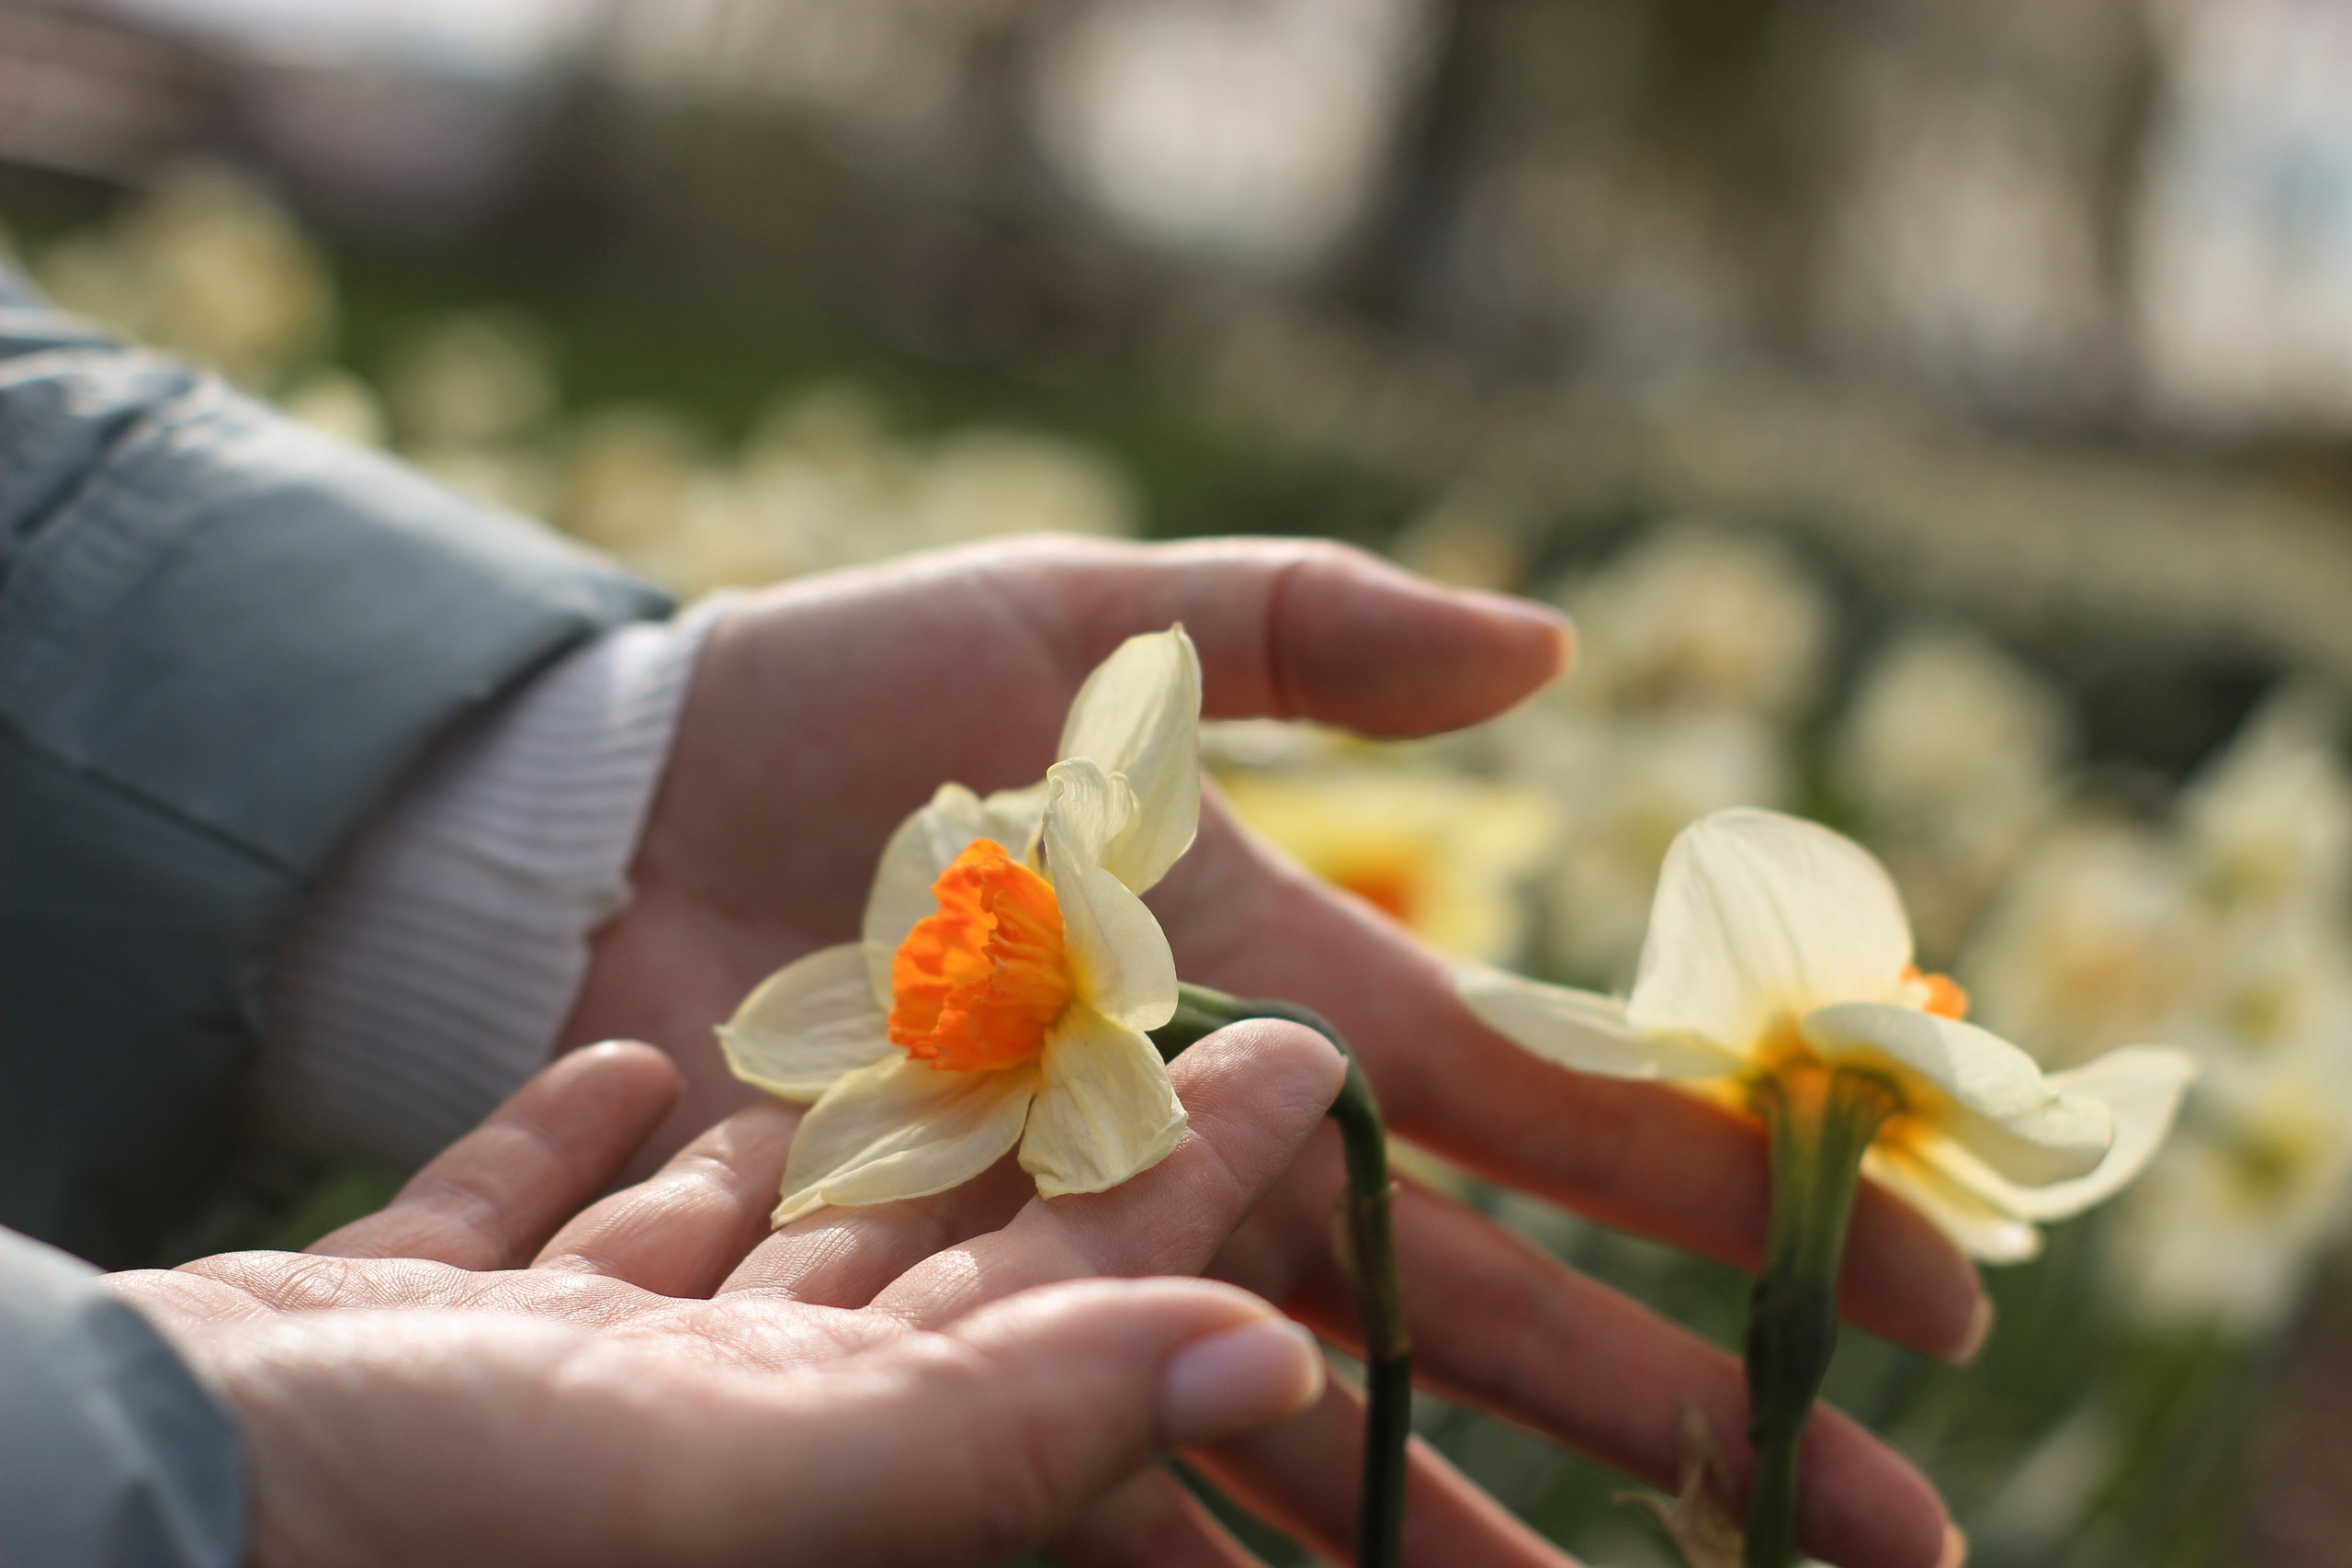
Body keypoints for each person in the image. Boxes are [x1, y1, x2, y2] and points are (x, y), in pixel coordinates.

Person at [0, 261, 1971, 1566]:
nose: (946, 941)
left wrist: (578, 768)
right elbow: (958, 1058)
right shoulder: (1039, 1029)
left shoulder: (1052, 980)